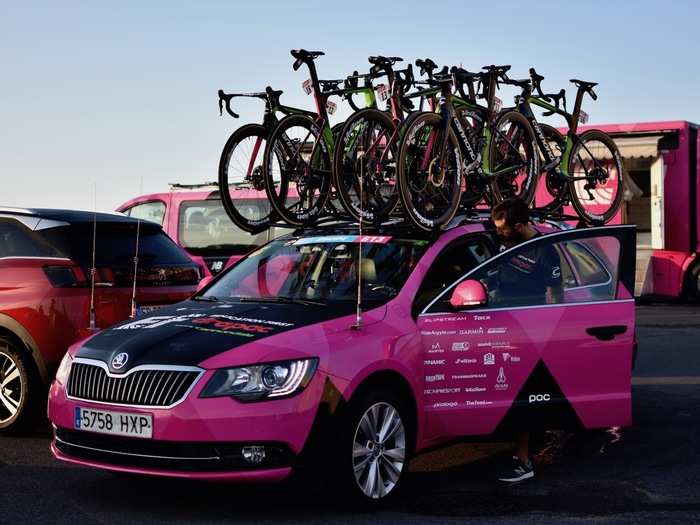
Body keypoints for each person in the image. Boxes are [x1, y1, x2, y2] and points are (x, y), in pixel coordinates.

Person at [489, 198, 563, 483]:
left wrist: (555, 333)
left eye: (503, 230)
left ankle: (523, 461)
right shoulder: (506, 241)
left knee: (522, 395)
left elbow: (557, 294)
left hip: (528, 329)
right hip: (498, 324)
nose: (499, 235)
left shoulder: (545, 251)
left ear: (520, 226)